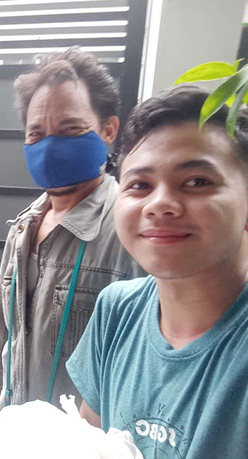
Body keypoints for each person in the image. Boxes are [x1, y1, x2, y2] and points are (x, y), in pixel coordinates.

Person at [66, 85, 248, 458]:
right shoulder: (118, 310)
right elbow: (86, 444)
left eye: (197, 181)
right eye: (140, 185)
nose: (159, 203)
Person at [0, 47, 145, 433]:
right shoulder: (23, 227)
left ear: (109, 130)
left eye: (70, 129)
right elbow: (1, 341)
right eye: (37, 133)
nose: (50, 146)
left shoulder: (132, 231)